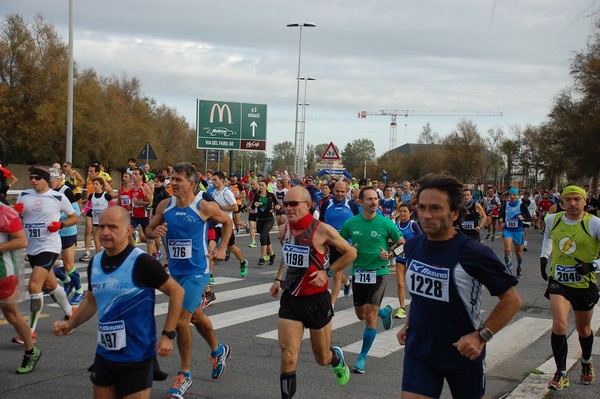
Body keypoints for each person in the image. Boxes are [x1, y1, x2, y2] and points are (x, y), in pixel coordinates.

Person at [397, 173, 522, 399]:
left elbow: (512, 300)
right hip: (420, 351)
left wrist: (481, 336)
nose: (426, 215)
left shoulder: (473, 252)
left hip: (463, 353)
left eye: (435, 208)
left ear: (454, 213)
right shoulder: (413, 246)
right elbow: (421, 294)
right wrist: (409, 322)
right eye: (422, 207)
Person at [53, 206, 183, 399]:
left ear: (128, 231)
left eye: (113, 227)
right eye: (102, 226)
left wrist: (167, 335)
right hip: (105, 354)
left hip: (137, 356)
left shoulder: (142, 262)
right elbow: (91, 299)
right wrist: (70, 323)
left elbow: (177, 291)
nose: (105, 232)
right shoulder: (95, 262)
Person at [146, 162, 233, 399]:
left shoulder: (203, 206)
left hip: (197, 272)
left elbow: (228, 222)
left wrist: (223, 247)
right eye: (171, 178)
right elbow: (148, 230)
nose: (172, 183)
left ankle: (184, 374)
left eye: (178, 180)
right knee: (196, 315)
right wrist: (153, 233)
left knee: (182, 321)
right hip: (175, 273)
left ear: (192, 184)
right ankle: (218, 351)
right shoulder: (165, 205)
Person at [270, 186, 355, 399]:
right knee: (288, 356)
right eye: (285, 203)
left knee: (322, 358)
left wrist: (328, 272)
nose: (288, 208)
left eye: (293, 204)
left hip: (317, 300)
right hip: (291, 299)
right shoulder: (284, 230)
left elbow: (350, 253)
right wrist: (278, 279)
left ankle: (335, 358)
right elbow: (287, 255)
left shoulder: (322, 230)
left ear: (308, 205)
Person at [540, 185, 600, 391]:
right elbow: (548, 237)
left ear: (585, 202)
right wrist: (543, 257)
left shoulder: (594, 224)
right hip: (560, 282)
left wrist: (592, 265)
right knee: (559, 325)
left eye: (577, 199)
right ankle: (561, 373)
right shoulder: (552, 219)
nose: (573, 203)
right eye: (569, 199)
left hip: (585, 285)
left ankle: (585, 361)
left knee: (584, 330)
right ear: (562, 202)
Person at [339, 186, 404, 374]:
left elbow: (402, 244)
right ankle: (385, 312)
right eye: (369, 199)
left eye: (376, 199)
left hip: (379, 272)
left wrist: (390, 253)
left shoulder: (385, 224)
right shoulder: (351, 223)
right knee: (360, 314)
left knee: (369, 317)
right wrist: (349, 249)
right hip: (359, 273)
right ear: (360, 201)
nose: (374, 202)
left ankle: (362, 357)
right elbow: (340, 243)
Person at [13, 165, 79, 345]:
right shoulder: (24, 195)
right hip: (31, 247)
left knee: (34, 286)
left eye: (37, 178)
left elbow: (74, 217)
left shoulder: (58, 197)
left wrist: (61, 225)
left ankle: (29, 332)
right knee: (50, 285)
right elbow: (16, 219)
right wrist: (16, 213)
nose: (33, 180)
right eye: (31, 178)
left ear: (46, 180)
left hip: (49, 245)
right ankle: (70, 313)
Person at [0, 202, 42, 373]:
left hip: (3, 272)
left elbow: (22, 240)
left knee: (12, 316)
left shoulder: (4, 211)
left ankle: (31, 351)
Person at [48, 168, 85, 305]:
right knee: (47, 262)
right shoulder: (48, 192)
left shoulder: (66, 191)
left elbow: (76, 212)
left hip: (68, 231)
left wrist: (59, 217)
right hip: (54, 233)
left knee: (69, 265)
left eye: (51, 180)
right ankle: (66, 281)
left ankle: (80, 291)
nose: (49, 183)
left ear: (59, 179)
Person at [318, 180, 357, 307]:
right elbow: (320, 224)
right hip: (327, 244)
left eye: (342, 191)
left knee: (336, 274)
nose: (340, 194)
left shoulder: (351, 205)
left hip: (344, 245)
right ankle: (347, 282)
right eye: (337, 191)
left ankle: (331, 304)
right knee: (333, 271)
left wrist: (355, 242)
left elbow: (358, 224)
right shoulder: (326, 204)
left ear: (347, 191)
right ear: (332, 190)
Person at [210, 171, 249, 277]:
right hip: (215, 225)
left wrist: (221, 208)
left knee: (231, 248)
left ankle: (242, 262)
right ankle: (210, 275)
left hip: (226, 226)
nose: (212, 182)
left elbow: (235, 208)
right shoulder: (214, 192)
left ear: (222, 180)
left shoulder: (226, 192)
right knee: (210, 250)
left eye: (215, 180)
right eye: (212, 179)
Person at [394, 203, 423, 319]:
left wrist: (411, 246)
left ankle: (419, 307)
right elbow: (395, 241)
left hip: (412, 258)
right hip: (400, 257)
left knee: (414, 285)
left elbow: (421, 239)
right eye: (400, 211)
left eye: (405, 211)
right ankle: (401, 308)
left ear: (410, 213)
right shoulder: (396, 225)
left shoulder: (413, 225)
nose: (402, 213)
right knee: (400, 284)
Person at [499, 187, 532, 278]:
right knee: (507, 250)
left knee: (519, 253)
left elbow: (529, 218)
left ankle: (519, 267)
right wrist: (501, 221)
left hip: (518, 231)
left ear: (518, 195)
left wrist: (523, 218)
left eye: (514, 195)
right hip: (508, 230)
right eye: (510, 195)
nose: (512, 196)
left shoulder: (522, 205)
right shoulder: (506, 205)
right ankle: (509, 268)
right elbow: (500, 215)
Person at [251, 180, 280, 266]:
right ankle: (272, 254)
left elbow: (277, 205)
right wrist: (254, 205)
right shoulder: (257, 195)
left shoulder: (270, 195)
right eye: (260, 185)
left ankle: (262, 258)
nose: (261, 187)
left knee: (263, 236)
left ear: (267, 186)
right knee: (266, 238)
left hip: (269, 219)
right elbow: (252, 206)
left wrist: (276, 208)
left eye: (263, 185)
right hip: (260, 219)